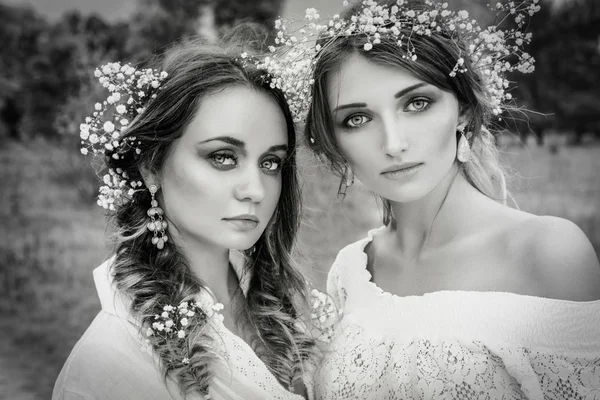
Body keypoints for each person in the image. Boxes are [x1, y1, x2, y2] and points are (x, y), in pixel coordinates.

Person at [267, 0, 600, 398]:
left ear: (462, 110)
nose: (393, 144)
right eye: (357, 119)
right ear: (335, 141)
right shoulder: (352, 270)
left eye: (417, 103)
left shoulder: (549, 252)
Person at [52, 38, 317, 400]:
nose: (255, 189)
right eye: (222, 157)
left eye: (270, 162)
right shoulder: (108, 363)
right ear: (150, 169)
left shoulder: (292, 310)